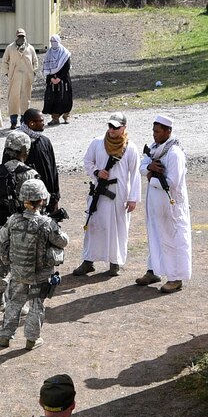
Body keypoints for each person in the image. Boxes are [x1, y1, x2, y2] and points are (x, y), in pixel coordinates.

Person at [0, 176, 66, 350]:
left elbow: (1, 238)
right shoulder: (47, 223)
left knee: (14, 303)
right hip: (41, 273)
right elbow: (63, 241)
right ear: (42, 200)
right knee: (36, 305)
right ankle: (32, 340)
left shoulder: (13, 220)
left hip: (18, 271)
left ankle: (4, 337)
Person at [75, 112, 142, 275]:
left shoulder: (130, 148)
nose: (112, 130)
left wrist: (133, 198)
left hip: (119, 194)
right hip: (99, 191)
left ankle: (115, 262)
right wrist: (97, 172)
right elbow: (87, 161)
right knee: (93, 225)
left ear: (124, 128)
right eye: (110, 126)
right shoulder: (97, 143)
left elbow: (135, 174)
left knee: (118, 228)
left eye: (116, 127)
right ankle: (88, 260)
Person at [0, 132, 40, 312]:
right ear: (25, 150)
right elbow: (37, 203)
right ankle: (16, 304)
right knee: (20, 266)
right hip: (21, 227)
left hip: (1, 225)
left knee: (2, 262)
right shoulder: (29, 173)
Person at [135, 113, 191, 294]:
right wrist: (149, 168)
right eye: (153, 131)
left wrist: (151, 178)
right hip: (154, 204)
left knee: (172, 240)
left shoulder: (174, 154)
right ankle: (153, 270)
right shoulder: (153, 148)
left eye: (158, 132)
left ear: (168, 131)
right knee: (155, 236)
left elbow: (172, 182)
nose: (154, 135)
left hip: (171, 206)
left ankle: (175, 278)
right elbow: (142, 167)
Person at [18, 109, 63, 220]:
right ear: (31, 123)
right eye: (41, 121)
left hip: (47, 197)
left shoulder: (44, 141)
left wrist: (55, 196)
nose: (43, 123)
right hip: (27, 201)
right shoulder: (18, 142)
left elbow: (53, 170)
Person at [2, 28, 38, 128]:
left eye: (23, 36)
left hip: (26, 78)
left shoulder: (30, 48)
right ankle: (13, 122)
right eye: (19, 36)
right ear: (16, 36)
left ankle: (23, 122)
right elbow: (4, 61)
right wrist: (7, 73)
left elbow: (35, 61)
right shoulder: (10, 48)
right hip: (14, 77)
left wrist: (33, 72)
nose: (21, 38)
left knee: (25, 100)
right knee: (13, 100)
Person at [42, 35, 73, 124]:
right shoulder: (49, 54)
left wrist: (59, 78)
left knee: (65, 98)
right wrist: (51, 78)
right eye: (52, 42)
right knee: (53, 99)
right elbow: (46, 67)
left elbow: (67, 67)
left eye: (55, 41)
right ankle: (55, 118)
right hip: (53, 81)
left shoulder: (65, 53)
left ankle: (66, 116)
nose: (53, 43)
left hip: (63, 80)